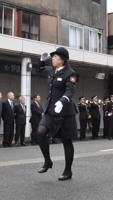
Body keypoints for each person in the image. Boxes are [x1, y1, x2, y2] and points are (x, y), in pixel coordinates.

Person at [37, 47, 78, 181]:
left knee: (66, 140)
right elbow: (40, 71)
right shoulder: (52, 71)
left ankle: (68, 171)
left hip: (65, 111)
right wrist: (41, 62)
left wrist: (62, 101)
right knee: (41, 132)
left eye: (54, 57)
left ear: (62, 60)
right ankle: (48, 161)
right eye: (52, 57)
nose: (52, 59)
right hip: (50, 110)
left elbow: (70, 90)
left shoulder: (70, 73)